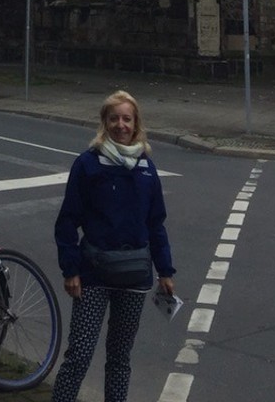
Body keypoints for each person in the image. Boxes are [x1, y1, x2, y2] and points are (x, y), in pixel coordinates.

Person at [51, 89, 176, 402]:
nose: (121, 124)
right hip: (93, 275)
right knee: (79, 355)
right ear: (104, 123)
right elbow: (68, 220)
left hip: (135, 276)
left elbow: (155, 223)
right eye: (114, 118)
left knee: (120, 358)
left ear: (136, 124)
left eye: (127, 118)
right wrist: (71, 269)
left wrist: (165, 270)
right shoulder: (88, 165)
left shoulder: (146, 168)